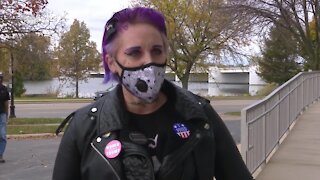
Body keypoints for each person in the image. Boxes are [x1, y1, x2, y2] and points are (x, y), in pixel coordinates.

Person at [53, 7, 253, 180]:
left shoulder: (199, 117)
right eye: (135, 53)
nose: (148, 61)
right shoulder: (85, 126)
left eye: (157, 51)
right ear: (112, 62)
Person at [0, 73, 10, 163]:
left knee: (2, 135)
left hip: (2, 115)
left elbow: (6, 103)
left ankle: (0, 155)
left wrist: (7, 115)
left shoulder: (4, 89)